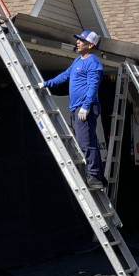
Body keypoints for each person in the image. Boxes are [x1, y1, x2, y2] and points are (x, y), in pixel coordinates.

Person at [43, 30, 105, 184]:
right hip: (77, 107)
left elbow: (93, 86)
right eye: (77, 40)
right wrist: (46, 84)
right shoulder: (78, 60)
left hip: (85, 108)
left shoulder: (93, 62)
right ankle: (99, 176)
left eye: (81, 40)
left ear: (90, 45)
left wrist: (86, 106)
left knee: (85, 142)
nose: (77, 42)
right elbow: (65, 75)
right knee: (88, 141)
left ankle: (94, 176)